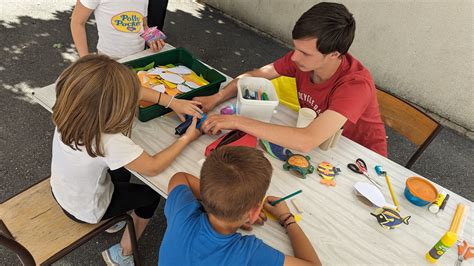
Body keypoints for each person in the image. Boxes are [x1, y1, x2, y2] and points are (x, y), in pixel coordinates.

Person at [50, 55, 202, 265]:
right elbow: (153, 166)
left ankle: (114, 218)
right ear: (112, 107)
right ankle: (122, 253)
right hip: (86, 209)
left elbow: (130, 90)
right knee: (150, 196)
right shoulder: (108, 141)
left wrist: (173, 102)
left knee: (124, 171)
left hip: (60, 190)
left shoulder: (70, 105)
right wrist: (187, 138)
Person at [197, 2, 387, 157]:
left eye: (305, 53)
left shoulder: (355, 85)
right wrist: (217, 97)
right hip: (322, 146)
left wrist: (237, 121)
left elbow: (306, 140)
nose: (294, 58)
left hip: (360, 158)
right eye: (295, 48)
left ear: (334, 55)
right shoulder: (303, 60)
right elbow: (254, 76)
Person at [159, 146, 321, 266]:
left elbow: (179, 178)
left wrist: (223, 202)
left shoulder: (182, 215)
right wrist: (287, 219)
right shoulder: (250, 253)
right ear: (254, 212)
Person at [71, 0, 165, 59]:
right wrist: (84, 59)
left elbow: (143, 24)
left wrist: (153, 37)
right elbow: (77, 23)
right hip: (109, 59)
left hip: (139, 56)